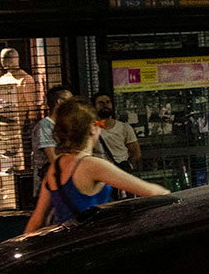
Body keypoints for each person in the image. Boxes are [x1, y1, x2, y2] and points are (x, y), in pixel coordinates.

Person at [24, 99, 168, 233]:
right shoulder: (92, 165)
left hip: (67, 246)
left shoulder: (55, 168)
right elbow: (152, 192)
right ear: (92, 128)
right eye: (99, 124)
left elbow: (36, 220)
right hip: (93, 242)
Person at [32, 84, 72, 185]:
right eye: (70, 101)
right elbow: (54, 158)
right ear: (60, 102)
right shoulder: (44, 126)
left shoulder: (65, 125)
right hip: (49, 185)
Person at [90, 92, 141, 168]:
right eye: (101, 103)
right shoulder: (91, 130)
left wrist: (128, 166)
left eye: (108, 102)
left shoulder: (124, 127)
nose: (105, 105)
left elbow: (135, 151)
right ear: (94, 107)